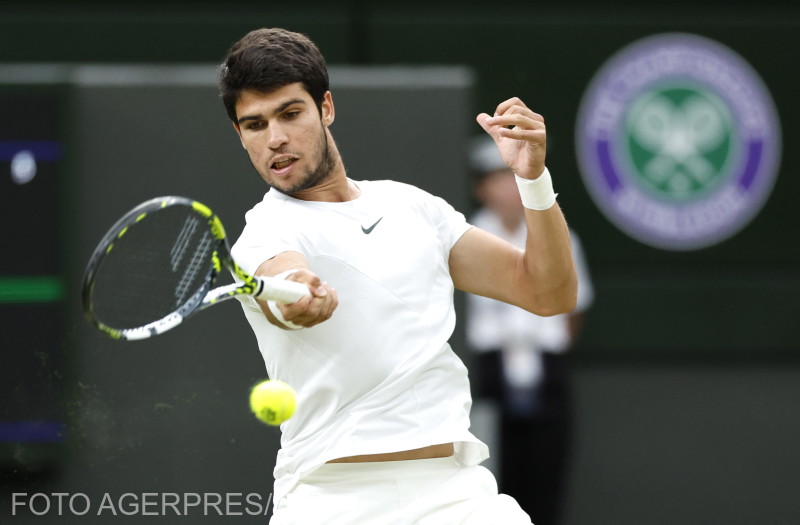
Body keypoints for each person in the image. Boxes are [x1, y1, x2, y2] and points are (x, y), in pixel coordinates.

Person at [219, 27, 577, 524]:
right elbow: (285, 285)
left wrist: (533, 180)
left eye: (289, 113)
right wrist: (300, 299)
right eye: (254, 125)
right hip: (331, 501)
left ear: (325, 108)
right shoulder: (263, 234)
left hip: (456, 493)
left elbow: (548, 292)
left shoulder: (413, 207)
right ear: (241, 135)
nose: (275, 138)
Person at [466, 136, 594, 525]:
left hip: (546, 374)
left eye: (513, 177)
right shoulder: (465, 235)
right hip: (486, 378)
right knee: (486, 485)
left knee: (546, 483)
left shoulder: (559, 236)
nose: (506, 188)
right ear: (480, 188)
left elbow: (574, 309)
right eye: (496, 178)